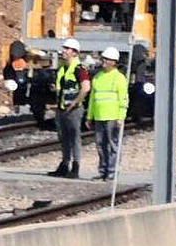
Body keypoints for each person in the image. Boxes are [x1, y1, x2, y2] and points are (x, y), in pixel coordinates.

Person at [47, 38, 91, 179]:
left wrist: (75, 103)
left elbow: (85, 88)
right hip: (62, 109)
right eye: (64, 48)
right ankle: (65, 164)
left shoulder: (79, 69)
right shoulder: (63, 69)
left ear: (74, 52)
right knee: (64, 137)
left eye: (67, 49)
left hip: (73, 110)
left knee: (74, 137)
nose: (64, 51)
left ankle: (75, 166)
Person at [87, 46, 128, 181]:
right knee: (100, 144)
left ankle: (112, 171)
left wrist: (121, 117)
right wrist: (89, 116)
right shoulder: (98, 77)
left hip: (113, 116)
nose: (104, 61)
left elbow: (123, 99)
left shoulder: (119, 78)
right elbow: (93, 98)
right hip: (99, 116)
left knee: (112, 144)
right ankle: (103, 170)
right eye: (103, 58)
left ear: (114, 62)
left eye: (107, 59)